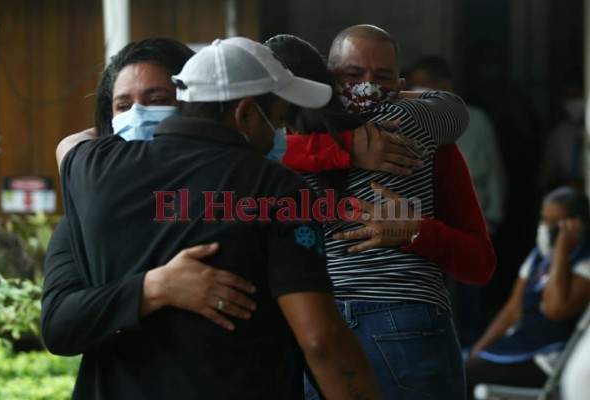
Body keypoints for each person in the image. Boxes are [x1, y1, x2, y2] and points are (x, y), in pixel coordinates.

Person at [55, 36, 383, 399]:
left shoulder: (91, 172)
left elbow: (70, 147)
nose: (281, 131)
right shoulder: (275, 188)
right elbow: (322, 339)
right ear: (243, 113)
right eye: (277, 118)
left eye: (157, 100)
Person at [266, 27, 470, 399]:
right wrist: (346, 146)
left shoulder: (272, 148)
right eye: (353, 76)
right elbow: (454, 108)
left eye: (382, 78)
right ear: (326, 79)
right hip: (403, 311)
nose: (366, 87)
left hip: (316, 320)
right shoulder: (407, 119)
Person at [406, 55, 507, 349]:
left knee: (470, 296)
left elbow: (494, 172)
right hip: (422, 225)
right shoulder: (405, 118)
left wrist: (494, 215)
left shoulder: (475, 120)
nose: (419, 90)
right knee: (433, 298)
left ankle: (470, 356)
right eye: (415, 84)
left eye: (426, 84)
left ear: (445, 85)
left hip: (470, 222)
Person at [466, 186, 590, 399]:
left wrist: (561, 249)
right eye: (544, 220)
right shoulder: (538, 257)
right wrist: (479, 349)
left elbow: (555, 310)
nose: (545, 228)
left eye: (554, 222)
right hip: (520, 344)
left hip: (547, 359)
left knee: (460, 375)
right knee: (459, 363)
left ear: (573, 225)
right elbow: (513, 310)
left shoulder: (584, 262)